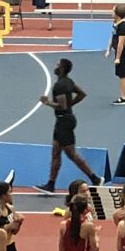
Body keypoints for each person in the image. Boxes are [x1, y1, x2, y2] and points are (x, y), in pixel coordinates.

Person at [42, 58, 97, 187]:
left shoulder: (59, 85)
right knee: (56, 152)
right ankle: (50, 184)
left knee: (71, 154)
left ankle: (94, 178)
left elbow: (61, 106)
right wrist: (71, 104)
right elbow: (82, 94)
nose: (55, 66)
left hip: (64, 123)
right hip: (64, 120)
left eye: (57, 65)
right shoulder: (69, 81)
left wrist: (47, 102)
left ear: (61, 69)